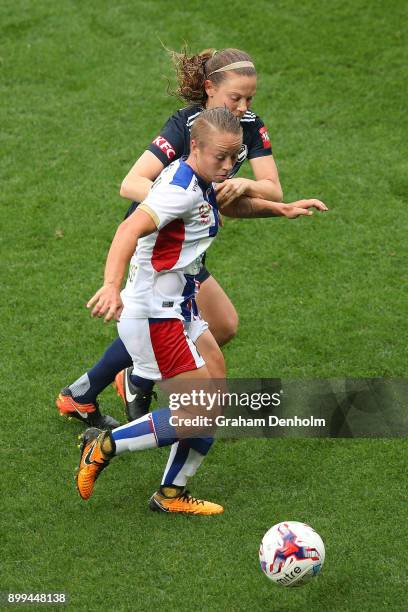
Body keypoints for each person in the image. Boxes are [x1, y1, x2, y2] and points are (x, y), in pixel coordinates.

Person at [57, 47, 326, 428]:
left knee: (222, 327)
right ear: (210, 89)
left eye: (250, 98)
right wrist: (184, 202)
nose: (243, 106)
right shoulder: (188, 127)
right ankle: (129, 392)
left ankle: (94, 390)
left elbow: (271, 188)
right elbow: (131, 183)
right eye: (235, 98)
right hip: (163, 246)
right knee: (196, 342)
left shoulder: (247, 125)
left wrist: (248, 187)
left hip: (190, 245)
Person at [75, 108, 327, 515]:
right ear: (196, 147)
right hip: (156, 312)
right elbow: (128, 229)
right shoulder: (179, 188)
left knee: (216, 391)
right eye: (220, 158)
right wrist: (109, 285)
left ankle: (170, 494)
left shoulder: (199, 176)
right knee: (197, 410)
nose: (229, 167)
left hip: (181, 305)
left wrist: (280, 208)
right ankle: (103, 445)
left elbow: (221, 208)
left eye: (234, 157)